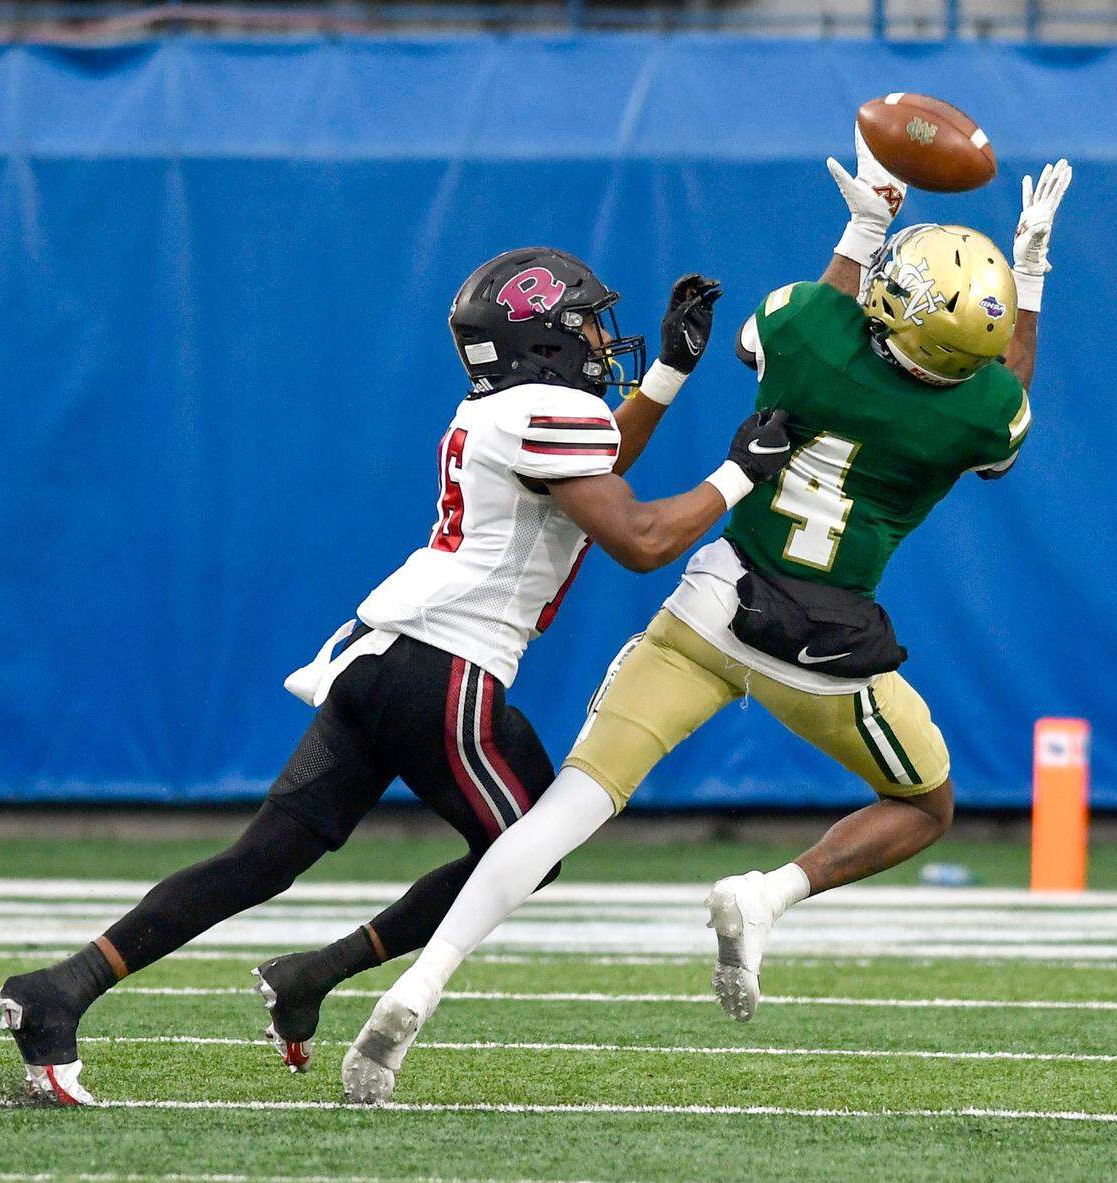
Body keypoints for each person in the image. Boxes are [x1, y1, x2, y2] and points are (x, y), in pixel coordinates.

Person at [340, 137, 1072, 1105]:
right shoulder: (982, 414)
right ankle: (770, 893)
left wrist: (863, 230)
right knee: (928, 806)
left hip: (715, 599)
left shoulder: (807, 324)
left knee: (566, 808)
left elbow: (803, 332)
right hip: (825, 651)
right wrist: (1027, 273)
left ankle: (420, 987)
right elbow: (1008, 389)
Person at [0, 246, 795, 1104]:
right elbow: (637, 538)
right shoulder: (544, 414)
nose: (604, 339)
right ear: (547, 343)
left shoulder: (512, 411)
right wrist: (741, 471)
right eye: (586, 323)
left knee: (260, 859)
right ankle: (319, 972)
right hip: (445, 673)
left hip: (383, 658)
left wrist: (670, 374)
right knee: (529, 850)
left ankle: (61, 990)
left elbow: (598, 474)